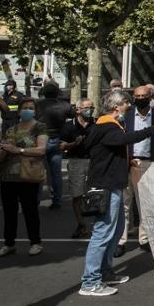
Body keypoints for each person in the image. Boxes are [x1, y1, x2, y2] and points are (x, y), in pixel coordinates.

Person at [79, 89, 154, 297]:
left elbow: (108, 152)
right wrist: (152, 129)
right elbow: (125, 139)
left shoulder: (107, 126)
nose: (129, 107)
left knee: (115, 228)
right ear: (116, 106)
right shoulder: (107, 125)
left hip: (113, 183)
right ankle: (90, 281)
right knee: (103, 233)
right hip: (107, 185)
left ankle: (105, 271)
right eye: (126, 104)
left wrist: (126, 161)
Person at [118, 84, 154, 253]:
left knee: (145, 203)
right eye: (137, 96)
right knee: (124, 204)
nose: (140, 99)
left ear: (151, 97)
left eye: (144, 96)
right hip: (128, 163)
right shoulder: (125, 116)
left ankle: (144, 238)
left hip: (149, 164)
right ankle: (121, 240)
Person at [0, 99, 47, 258]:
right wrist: (3, 151)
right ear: (19, 111)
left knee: (30, 210)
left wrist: (18, 149)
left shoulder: (39, 127)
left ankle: (35, 242)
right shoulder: (11, 129)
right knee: (9, 212)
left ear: (35, 111)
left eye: (31, 108)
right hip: (8, 176)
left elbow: (41, 150)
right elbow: (0, 155)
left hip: (28, 176)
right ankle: (8, 244)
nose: (27, 110)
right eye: (24, 108)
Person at [59, 99, 96, 238]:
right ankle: (81, 225)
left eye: (92, 107)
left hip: (93, 162)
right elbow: (61, 146)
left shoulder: (97, 123)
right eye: (87, 107)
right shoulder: (69, 126)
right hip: (76, 161)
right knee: (77, 195)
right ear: (78, 109)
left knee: (96, 194)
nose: (90, 110)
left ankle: (97, 225)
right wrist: (74, 144)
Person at [35, 81, 67, 210]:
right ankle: (57, 200)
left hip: (40, 139)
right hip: (57, 139)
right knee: (56, 173)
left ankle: (35, 200)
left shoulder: (37, 105)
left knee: (38, 172)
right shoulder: (64, 105)